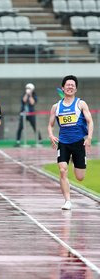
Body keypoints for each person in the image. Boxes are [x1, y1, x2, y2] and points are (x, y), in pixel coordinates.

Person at [47, 75, 93, 210]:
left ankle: (76, 161)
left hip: (78, 143)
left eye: (73, 85)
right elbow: (50, 125)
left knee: (80, 177)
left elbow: (90, 121)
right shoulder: (56, 107)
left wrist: (89, 138)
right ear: (63, 88)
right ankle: (67, 201)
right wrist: (51, 135)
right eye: (68, 85)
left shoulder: (81, 104)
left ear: (76, 89)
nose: (70, 87)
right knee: (62, 170)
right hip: (63, 143)